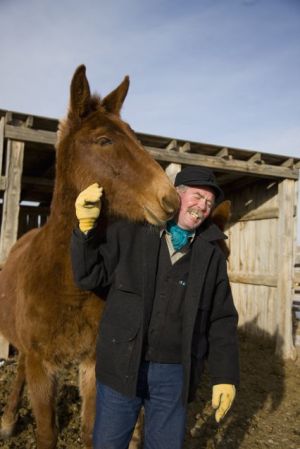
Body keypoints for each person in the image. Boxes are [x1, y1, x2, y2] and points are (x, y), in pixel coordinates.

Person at [71, 166, 239, 449]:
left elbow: (221, 319)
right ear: (176, 196)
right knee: (108, 444)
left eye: (209, 204)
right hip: (120, 365)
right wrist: (84, 231)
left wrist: (225, 376)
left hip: (174, 374)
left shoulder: (211, 256)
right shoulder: (131, 232)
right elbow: (88, 275)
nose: (202, 207)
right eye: (197, 197)